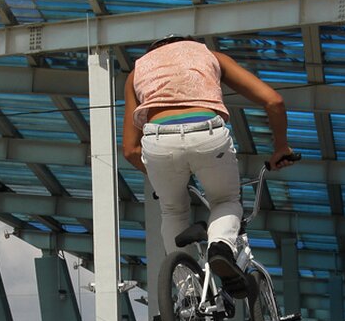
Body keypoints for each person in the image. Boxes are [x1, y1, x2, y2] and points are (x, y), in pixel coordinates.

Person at [122, 35, 297, 298]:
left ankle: (189, 294)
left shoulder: (137, 70)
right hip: (207, 135)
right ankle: (220, 249)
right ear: (191, 45)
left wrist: (160, 174)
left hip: (158, 141)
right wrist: (281, 147)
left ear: (153, 53)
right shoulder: (211, 56)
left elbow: (130, 150)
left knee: (171, 210)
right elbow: (274, 101)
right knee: (226, 200)